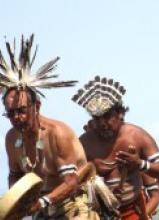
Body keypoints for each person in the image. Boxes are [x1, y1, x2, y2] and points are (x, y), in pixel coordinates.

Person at [0, 35, 100, 219]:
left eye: (22, 110)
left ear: (36, 106)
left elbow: (71, 182)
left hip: (75, 204)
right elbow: (14, 174)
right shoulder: (11, 138)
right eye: (10, 113)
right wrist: (17, 200)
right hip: (43, 208)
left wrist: (42, 202)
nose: (16, 117)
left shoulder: (57, 134)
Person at [72, 76, 159, 220]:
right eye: (97, 118)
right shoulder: (84, 144)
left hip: (133, 211)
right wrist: (101, 194)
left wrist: (139, 164)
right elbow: (71, 184)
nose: (103, 123)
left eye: (107, 116)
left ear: (120, 114)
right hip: (97, 214)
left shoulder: (137, 136)